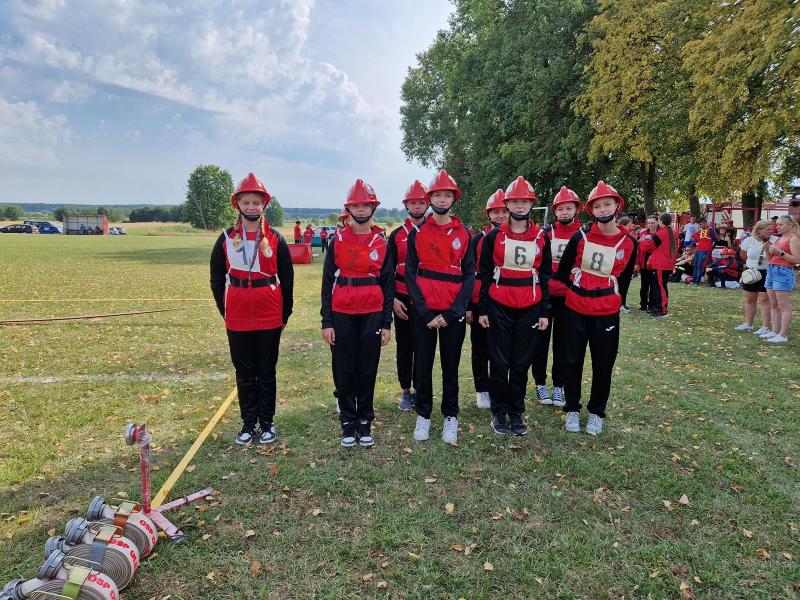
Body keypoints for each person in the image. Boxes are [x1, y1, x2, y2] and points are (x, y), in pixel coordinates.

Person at [210, 173, 294, 445]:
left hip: (269, 313)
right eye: (246, 202)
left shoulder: (276, 238)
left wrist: (285, 312)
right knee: (244, 371)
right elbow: (216, 279)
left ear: (263, 205)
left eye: (256, 202)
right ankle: (248, 423)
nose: (251, 207)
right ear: (238, 204)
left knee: (266, 370)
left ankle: (267, 422)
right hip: (237, 314)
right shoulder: (226, 237)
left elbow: (287, 278)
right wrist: (225, 310)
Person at [554, 181, 637, 436]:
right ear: (591, 210)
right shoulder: (581, 236)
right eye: (598, 206)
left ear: (617, 206)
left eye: (607, 204)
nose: (603, 210)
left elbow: (624, 282)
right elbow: (563, 270)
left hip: (606, 312)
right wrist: (580, 287)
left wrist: (612, 299)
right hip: (575, 309)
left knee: (603, 364)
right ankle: (572, 408)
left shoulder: (629, 242)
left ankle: (597, 412)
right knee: (572, 360)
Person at [321, 179, 394, 448]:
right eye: (356, 205)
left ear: (373, 208)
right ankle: (347, 422)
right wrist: (327, 321)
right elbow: (327, 282)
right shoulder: (337, 240)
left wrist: (386, 323)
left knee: (366, 368)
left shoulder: (381, 242)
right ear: (349, 208)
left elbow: (388, 284)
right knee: (344, 368)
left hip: (372, 312)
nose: (361, 209)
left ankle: (364, 421)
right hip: (341, 312)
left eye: (366, 205)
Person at [405, 169, 474, 445]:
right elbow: (410, 274)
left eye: (447, 195)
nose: (442, 200)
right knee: (422, 366)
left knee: (450, 366)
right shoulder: (418, 232)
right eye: (437, 195)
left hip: (452, 315)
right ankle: (423, 414)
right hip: (424, 314)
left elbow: (469, 276)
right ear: (429, 198)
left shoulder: (464, 233)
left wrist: (453, 313)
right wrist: (424, 312)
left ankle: (451, 416)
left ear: (453, 199)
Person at [478, 176, 550, 436]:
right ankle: (498, 412)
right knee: (499, 362)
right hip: (499, 306)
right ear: (507, 204)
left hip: (530, 306)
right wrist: (483, 308)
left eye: (525, 201)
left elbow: (545, 275)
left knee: (521, 363)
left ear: (531, 204)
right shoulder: (493, 237)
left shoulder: (541, 237)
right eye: (515, 201)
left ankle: (517, 412)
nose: (520, 206)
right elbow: (485, 273)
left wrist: (544, 311)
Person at [531, 186, 582, 407]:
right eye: (560, 209)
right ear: (554, 211)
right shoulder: (547, 233)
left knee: (563, 343)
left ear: (576, 210)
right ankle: (540, 383)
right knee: (540, 341)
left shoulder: (583, 234)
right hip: (545, 296)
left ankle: (559, 385)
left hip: (568, 298)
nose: (564, 212)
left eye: (568, 208)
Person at [387, 180, 429, 412]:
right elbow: (387, 272)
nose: (417, 206)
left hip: (426, 298)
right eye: (413, 203)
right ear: (406, 205)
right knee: (405, 347)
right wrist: (393, 299)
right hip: (402, 298)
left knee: (423, 347)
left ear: (428, 204)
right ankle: (405, 391)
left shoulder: (434, 231)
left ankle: (422, 389)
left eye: (421, 202)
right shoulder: (396, 235)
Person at [468, 189, 508, 409]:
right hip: (480, 301)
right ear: (488, 214)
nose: (500, 215)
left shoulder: (517, 238)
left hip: (505, 301)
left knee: (500, 349)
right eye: (495, 212)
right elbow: (468, 273)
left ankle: (497, 387)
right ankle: (482, 389)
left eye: (504, 211)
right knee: (480, 347)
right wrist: (469, 305)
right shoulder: (477, 240)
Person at [761, 215, 800, 343]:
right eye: (777, 224)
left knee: (783, 305)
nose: (777, 227)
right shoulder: (778, 239)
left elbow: (797, 260)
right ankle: (775, 331)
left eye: (780, 224)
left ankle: (783, 335)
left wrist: (780, 252)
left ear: (790, 225)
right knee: (773, 304)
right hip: (772, 269)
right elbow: (771, 258)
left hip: (784, 272)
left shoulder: (794, 239)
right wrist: (767, 250)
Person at [735, 220, 775, 334]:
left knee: (764, 299)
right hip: (751, 272)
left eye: (771, 229)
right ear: (759, 230)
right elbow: (743, 255)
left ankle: (765, 327)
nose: (771, 231)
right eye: (768, 229)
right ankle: (748, 324)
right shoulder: (748, 241)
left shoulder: (775, 240)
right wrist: (752, 265)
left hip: (767, 272)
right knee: (749, 299)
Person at [638, 213, 678, 317]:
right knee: (658, 287)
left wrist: (641, 242)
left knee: (660, 287)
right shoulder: (670, 232)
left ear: (660, 221)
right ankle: (657, 307)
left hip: (661, 264)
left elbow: (648, 246)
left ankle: (662, 309)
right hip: (665, 263)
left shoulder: (661, 233)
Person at [637, 215, 660, 310]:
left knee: (654, 285)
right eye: (649, 223)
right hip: (644, 261)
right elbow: (639, 248)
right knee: (644, 284)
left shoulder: (660, 234)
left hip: (656, 261)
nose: (651, 225)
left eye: (653, 223)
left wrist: (644, 244)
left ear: (657, 222)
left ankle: (651, 304)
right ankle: (643, 304)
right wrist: (637, 263)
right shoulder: (643, 233)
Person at [691, 219, 717, 284]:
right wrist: (695, 243)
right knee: (696, 264)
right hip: (698, 249)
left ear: (705, 223)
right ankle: (694, 280)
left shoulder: (710, 229)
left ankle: (697, 281)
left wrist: (711, 248)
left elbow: (716, 239)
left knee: (700, 265)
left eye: (701, 224)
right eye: (699, 224)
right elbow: (692, 236)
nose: (700, 226)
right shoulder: (701, 230)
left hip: (705, 250)